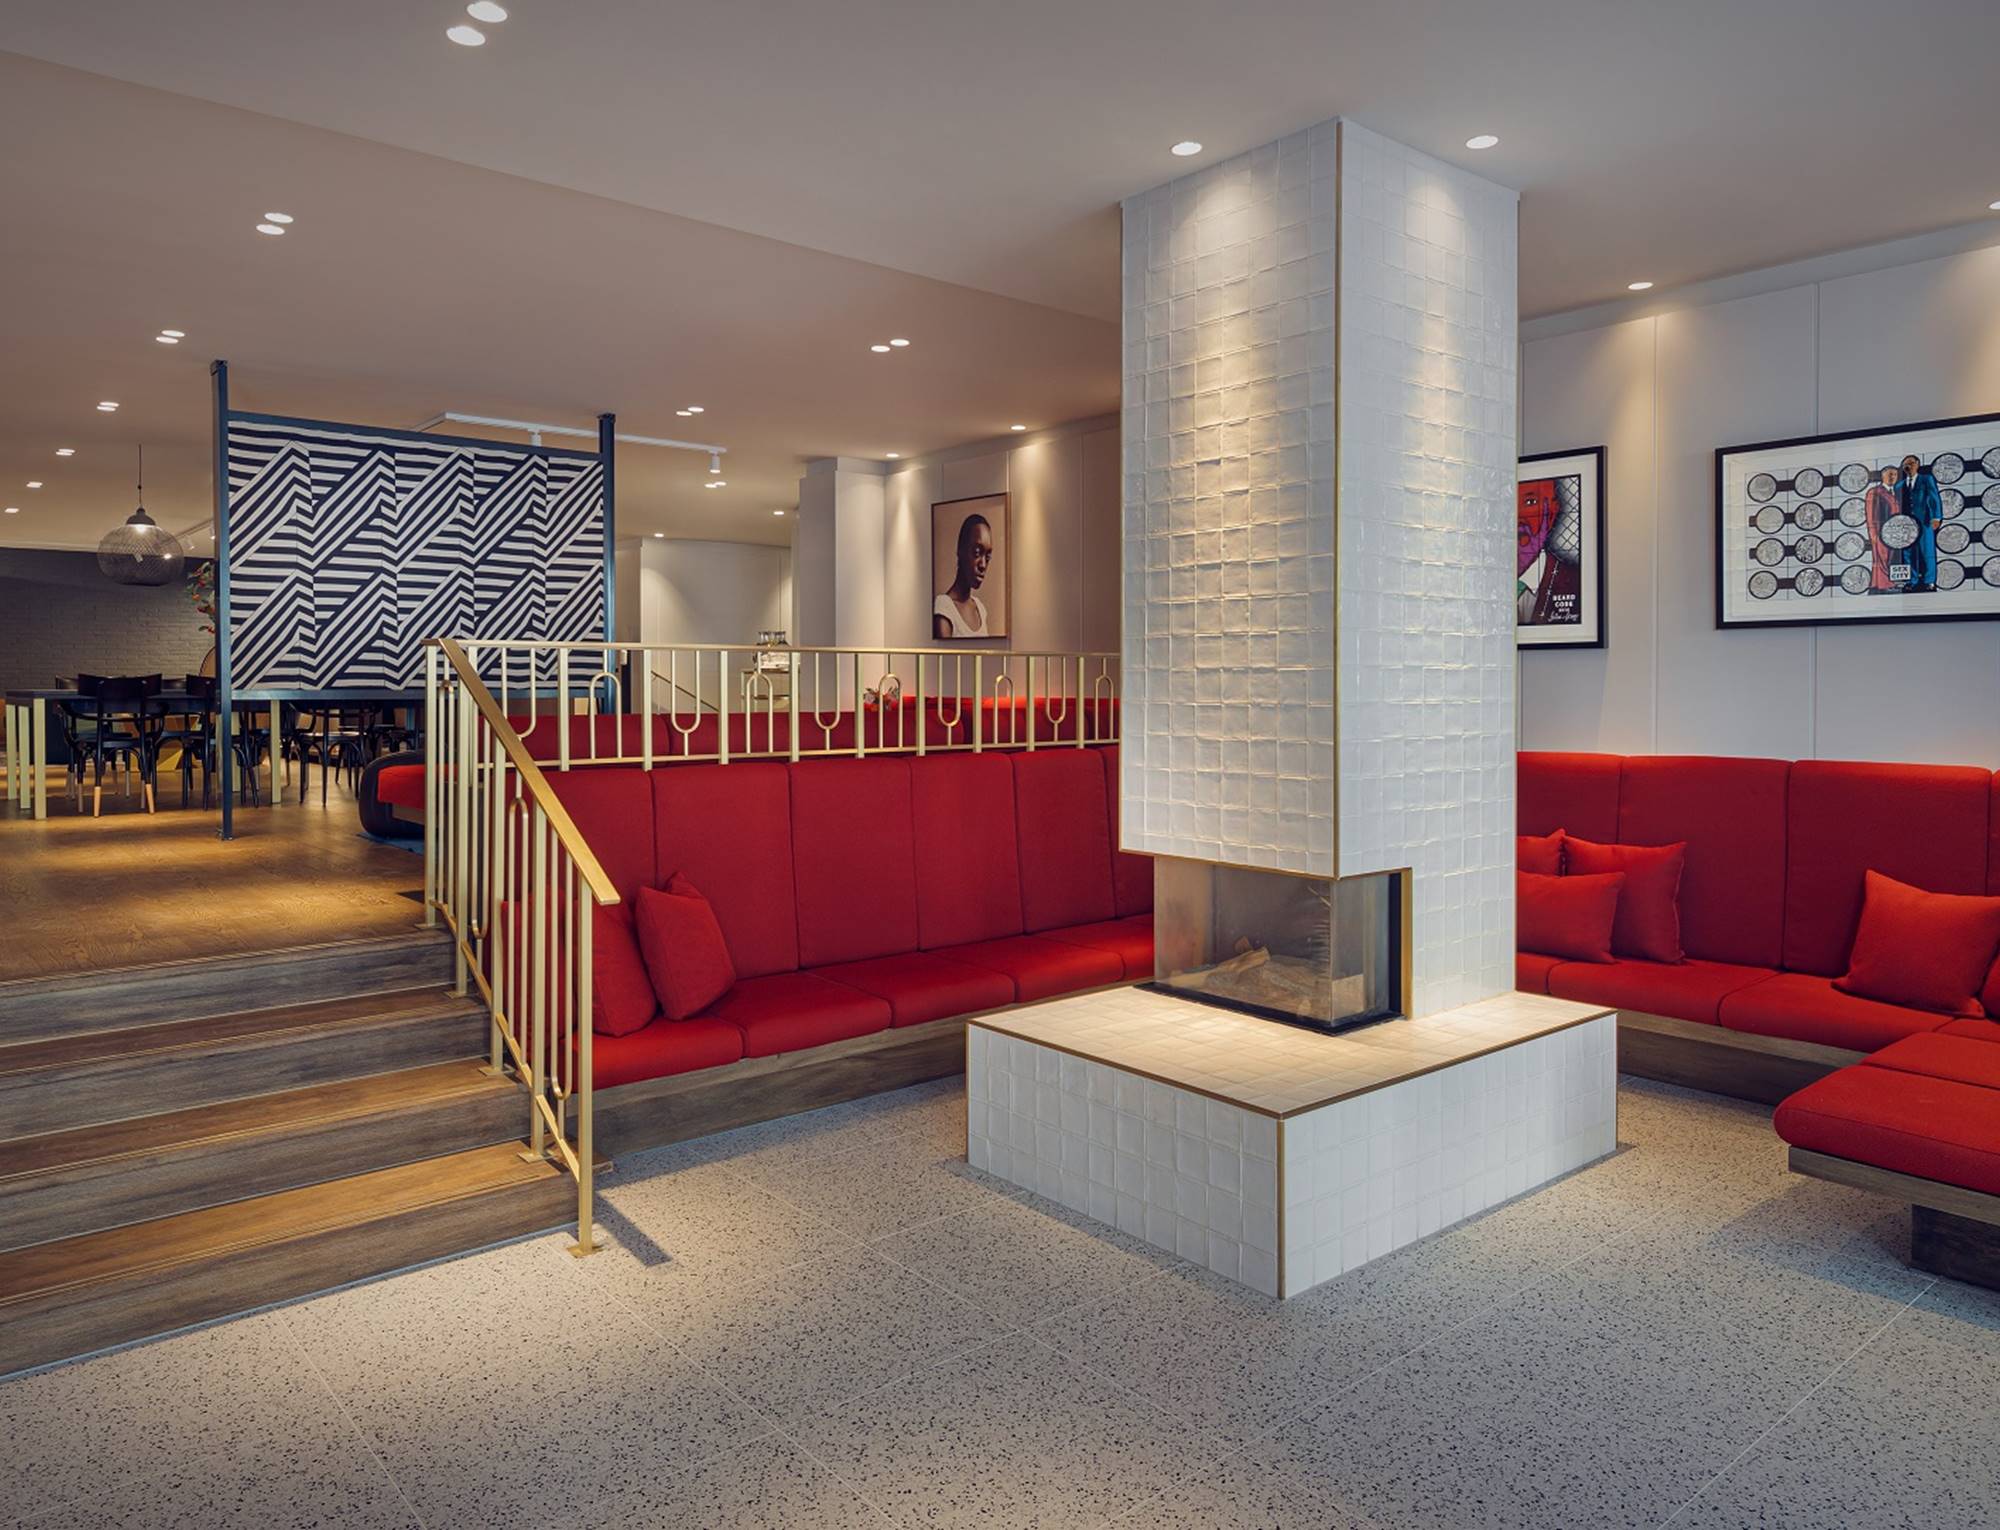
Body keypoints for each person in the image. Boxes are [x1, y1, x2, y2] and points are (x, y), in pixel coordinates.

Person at [934, 513, 994, 638]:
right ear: (960, 550)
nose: (983, 565)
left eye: (987, 557)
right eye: (977, 553)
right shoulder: (944, 607)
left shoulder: (980, 609)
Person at [1897, 453, 1943, 593]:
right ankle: (1912, 581)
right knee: (1908, 553)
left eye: (1911, 463)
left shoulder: (1926, 479)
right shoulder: (1900, 485)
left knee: (1927, 552)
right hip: (1906, 524)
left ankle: (1929, 581)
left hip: (1924, 522)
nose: (1908, 466)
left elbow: (1934, 498)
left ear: (1917, 464)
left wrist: (1936, 517)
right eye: (1905, 464)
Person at [1862, 463, 1904, 594]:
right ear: (1882, 476)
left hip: (1895, 532)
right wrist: (1874, 534)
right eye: (1889, 474)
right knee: (1882, 558)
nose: (1892, 477)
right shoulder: (1874, 492)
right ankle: (1884, 584)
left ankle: (1881, 583)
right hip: (1880, 532)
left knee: (1891, 557)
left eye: (1895, 474)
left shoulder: (1896, 492)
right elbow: (1871, 514)